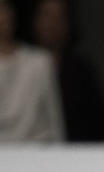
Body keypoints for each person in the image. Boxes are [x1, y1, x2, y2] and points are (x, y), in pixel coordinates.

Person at [32, 0, 104, 141]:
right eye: (47, 15)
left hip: (74, 154)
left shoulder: (81, 71)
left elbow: (101, 122)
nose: (52, 24)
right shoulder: (23, 67)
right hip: (26, 154)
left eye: (59, 17)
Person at [0, 0, 64, 142]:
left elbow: (53, 116)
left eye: (5, 9)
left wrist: (60, 153)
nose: (2, 16)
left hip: (36, 151)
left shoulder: (39, 62)